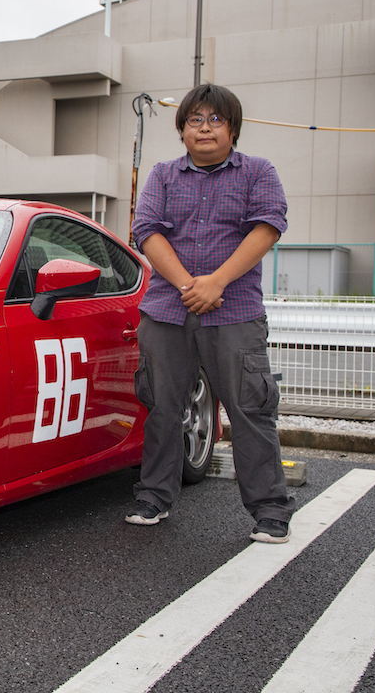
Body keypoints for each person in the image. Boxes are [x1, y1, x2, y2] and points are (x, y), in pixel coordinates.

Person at [127, 83, 296, 543]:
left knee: (249, 408)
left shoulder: (258, 172)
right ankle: (154, 497)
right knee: (162, 406)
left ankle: (269, 510)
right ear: (182, 130)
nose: (205, 128)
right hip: (167, 309)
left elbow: (268, 227)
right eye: (195, 120)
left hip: (235, 310)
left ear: (233, 129)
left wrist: (216, 282)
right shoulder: (162, 175)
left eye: (216, 119)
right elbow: (146, 232)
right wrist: (189, 285)